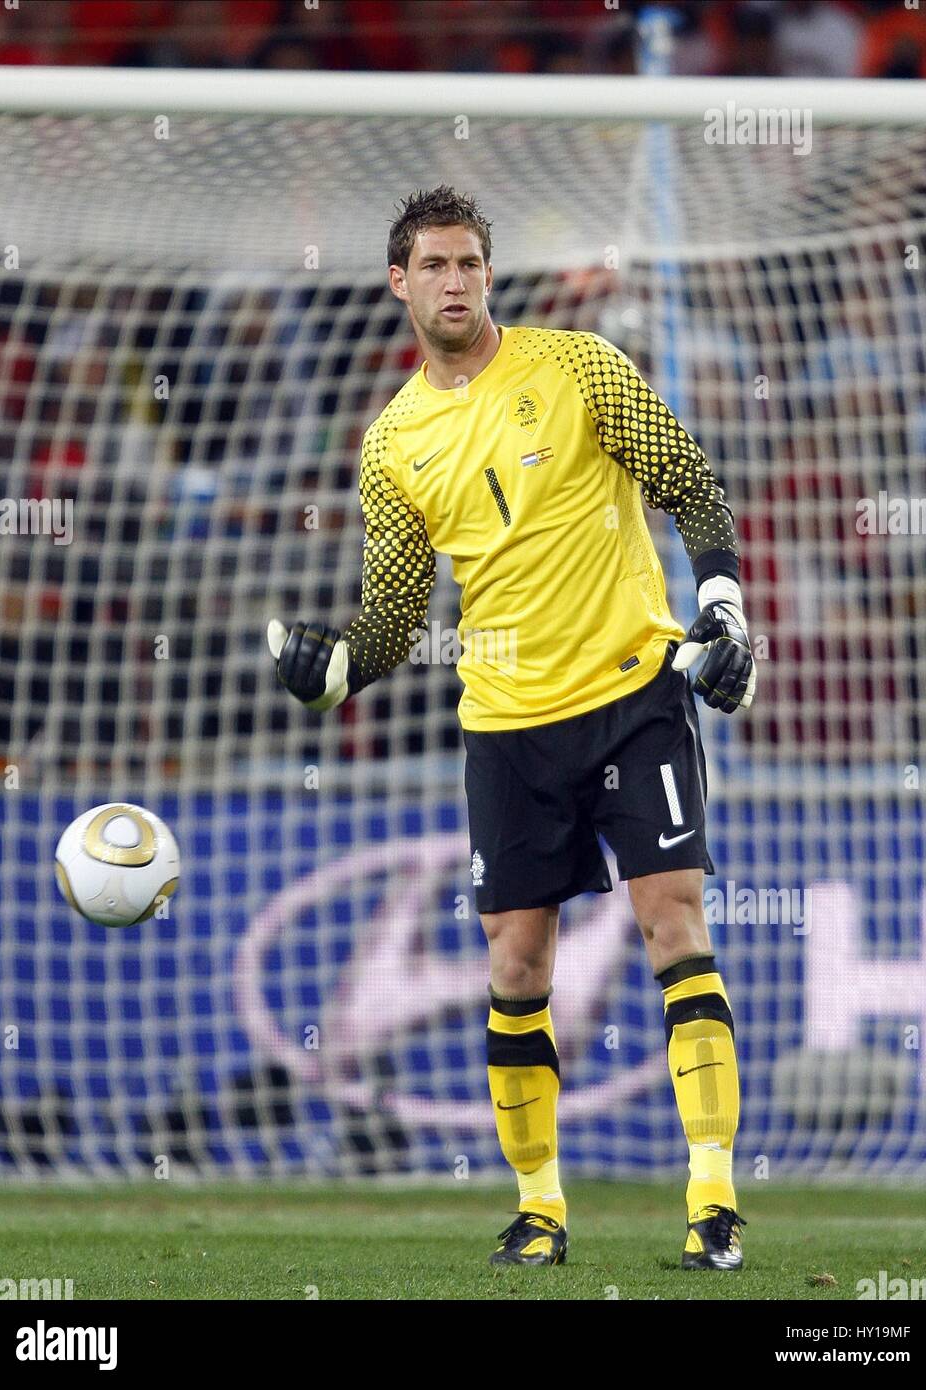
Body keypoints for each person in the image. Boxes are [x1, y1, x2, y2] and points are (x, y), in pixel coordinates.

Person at [269, 185, 755, 1270]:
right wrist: (336, 668)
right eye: (433, 265)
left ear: (490, 274)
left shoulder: (579, 366)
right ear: (399, 282)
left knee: (672, 921)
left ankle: (713, 1202)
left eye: (469, 263)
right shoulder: (394, 441)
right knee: (515, 961)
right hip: (506, 721)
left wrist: (720, 606)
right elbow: (395, 613)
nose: (454, 281)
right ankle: (540, 1209)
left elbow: (691, 485)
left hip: (634, 690)